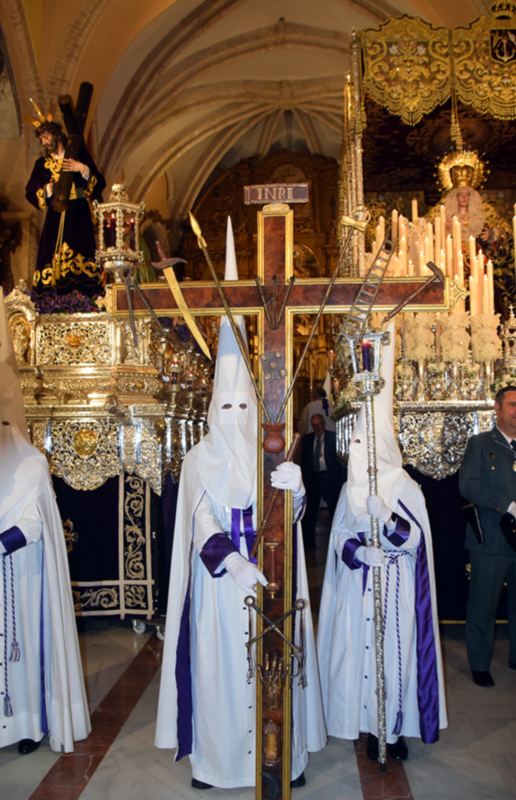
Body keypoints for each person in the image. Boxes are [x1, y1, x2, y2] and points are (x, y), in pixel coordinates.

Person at [155, 218, 326, 790]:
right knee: (222, 672)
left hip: (273, 580)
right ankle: (219, 763)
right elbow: (201, 519)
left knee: (275, 669)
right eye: (223, 408)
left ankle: (284, 758)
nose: (233, 419)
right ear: (212, 410)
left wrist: (296, 489)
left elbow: (292, 518)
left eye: (241, 408)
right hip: (224, 584)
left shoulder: (270, 451)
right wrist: (233, 562)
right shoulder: (199, 458)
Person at [0, 288, 91, 753]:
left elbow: (33, 526)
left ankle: (28, 727)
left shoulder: (32, 463)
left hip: (22, 579)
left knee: (22, 650)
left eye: (4, 421)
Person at [317, 323, 447, 762]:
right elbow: (337, 539)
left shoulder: (407, 487)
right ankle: (367, 726)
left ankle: (393, 730)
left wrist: (387, 519)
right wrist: (358, 552)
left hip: (397, 587)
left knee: (397, 657)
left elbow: (416, 542)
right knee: (359, 656)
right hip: (360, 585)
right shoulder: (350, 485)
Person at [459, 386, 516, 687]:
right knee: (483, 604)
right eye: (511, 404)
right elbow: (467, 485)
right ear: (497, 408)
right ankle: (480, 663)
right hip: (492, 539)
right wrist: (506, 504)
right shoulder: (481, 444)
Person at [25, 120, 105, 296]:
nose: (44, 142)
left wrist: (82, 168)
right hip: (55, 215)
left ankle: (85, 293)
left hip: (79, 212)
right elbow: (30, 191)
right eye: (41, 139)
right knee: (52, 253)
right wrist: (47, 190)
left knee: (81, 248)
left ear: (57, 134)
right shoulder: (42, 164)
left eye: (46, 137)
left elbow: (99, 181)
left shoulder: (78, 155)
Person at [300, 413, 343, 550]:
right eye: (314, 425)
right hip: (312, 477)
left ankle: (334, 540)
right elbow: (303, 461)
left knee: (333, 507)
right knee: (310, 510)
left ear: (323, 424)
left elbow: (339, 460)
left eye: (319, 425)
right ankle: (308, 544)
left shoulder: (333, 437)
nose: (317, 428)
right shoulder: (306, 439)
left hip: (328, 476)